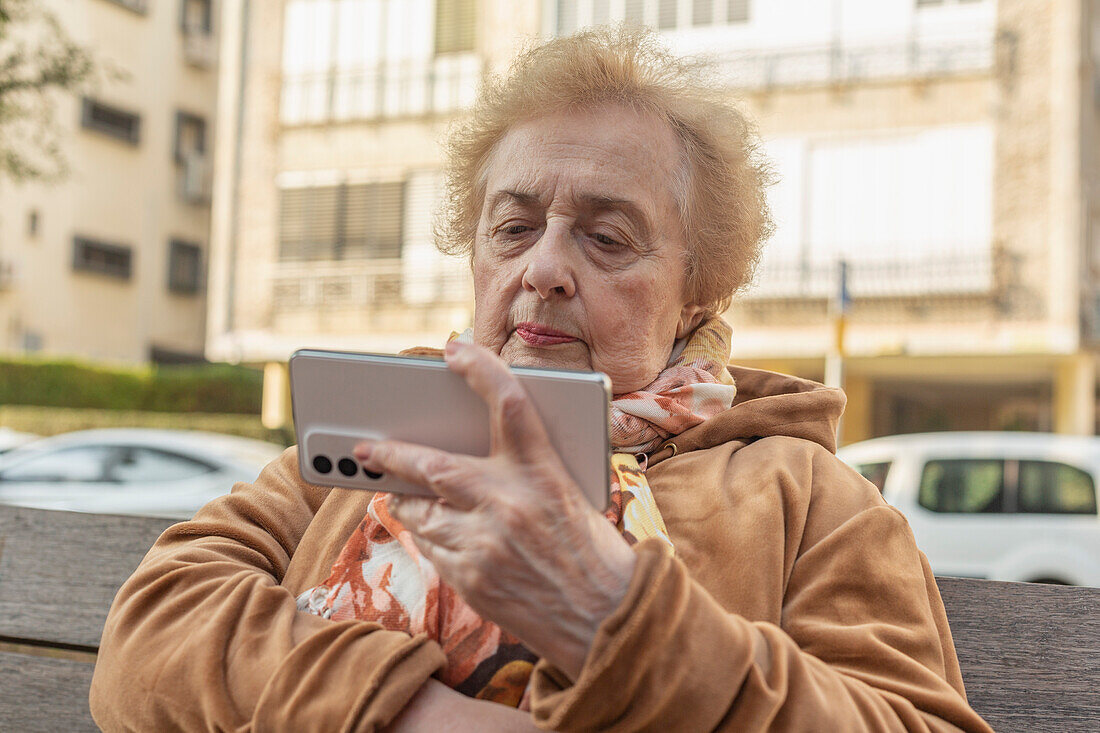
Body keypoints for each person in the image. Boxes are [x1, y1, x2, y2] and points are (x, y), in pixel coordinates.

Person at [90, 28, 993, 732]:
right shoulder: (385, 433)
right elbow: (146, 641)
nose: (546, 268)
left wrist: (617, 616)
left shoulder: (805, 497)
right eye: (513, 228)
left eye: (606, 238)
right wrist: (418, 714)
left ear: (694, 296)